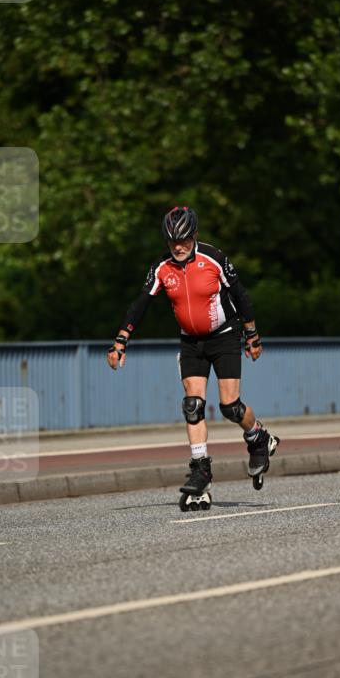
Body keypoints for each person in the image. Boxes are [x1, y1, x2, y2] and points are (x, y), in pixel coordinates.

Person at [107, 206, 279, 508]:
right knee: (192, 405)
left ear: (195, 236)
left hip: (224, 336)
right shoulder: (162, 267)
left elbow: (241, 295)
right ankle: (201, 470)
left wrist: (252, 336)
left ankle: (258, 437)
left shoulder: (214, 258)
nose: (178, 246)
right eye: (172, 241)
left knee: (230, 407)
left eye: (184, 240)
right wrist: (121, 340)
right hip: (191, 342)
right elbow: (140, 304)